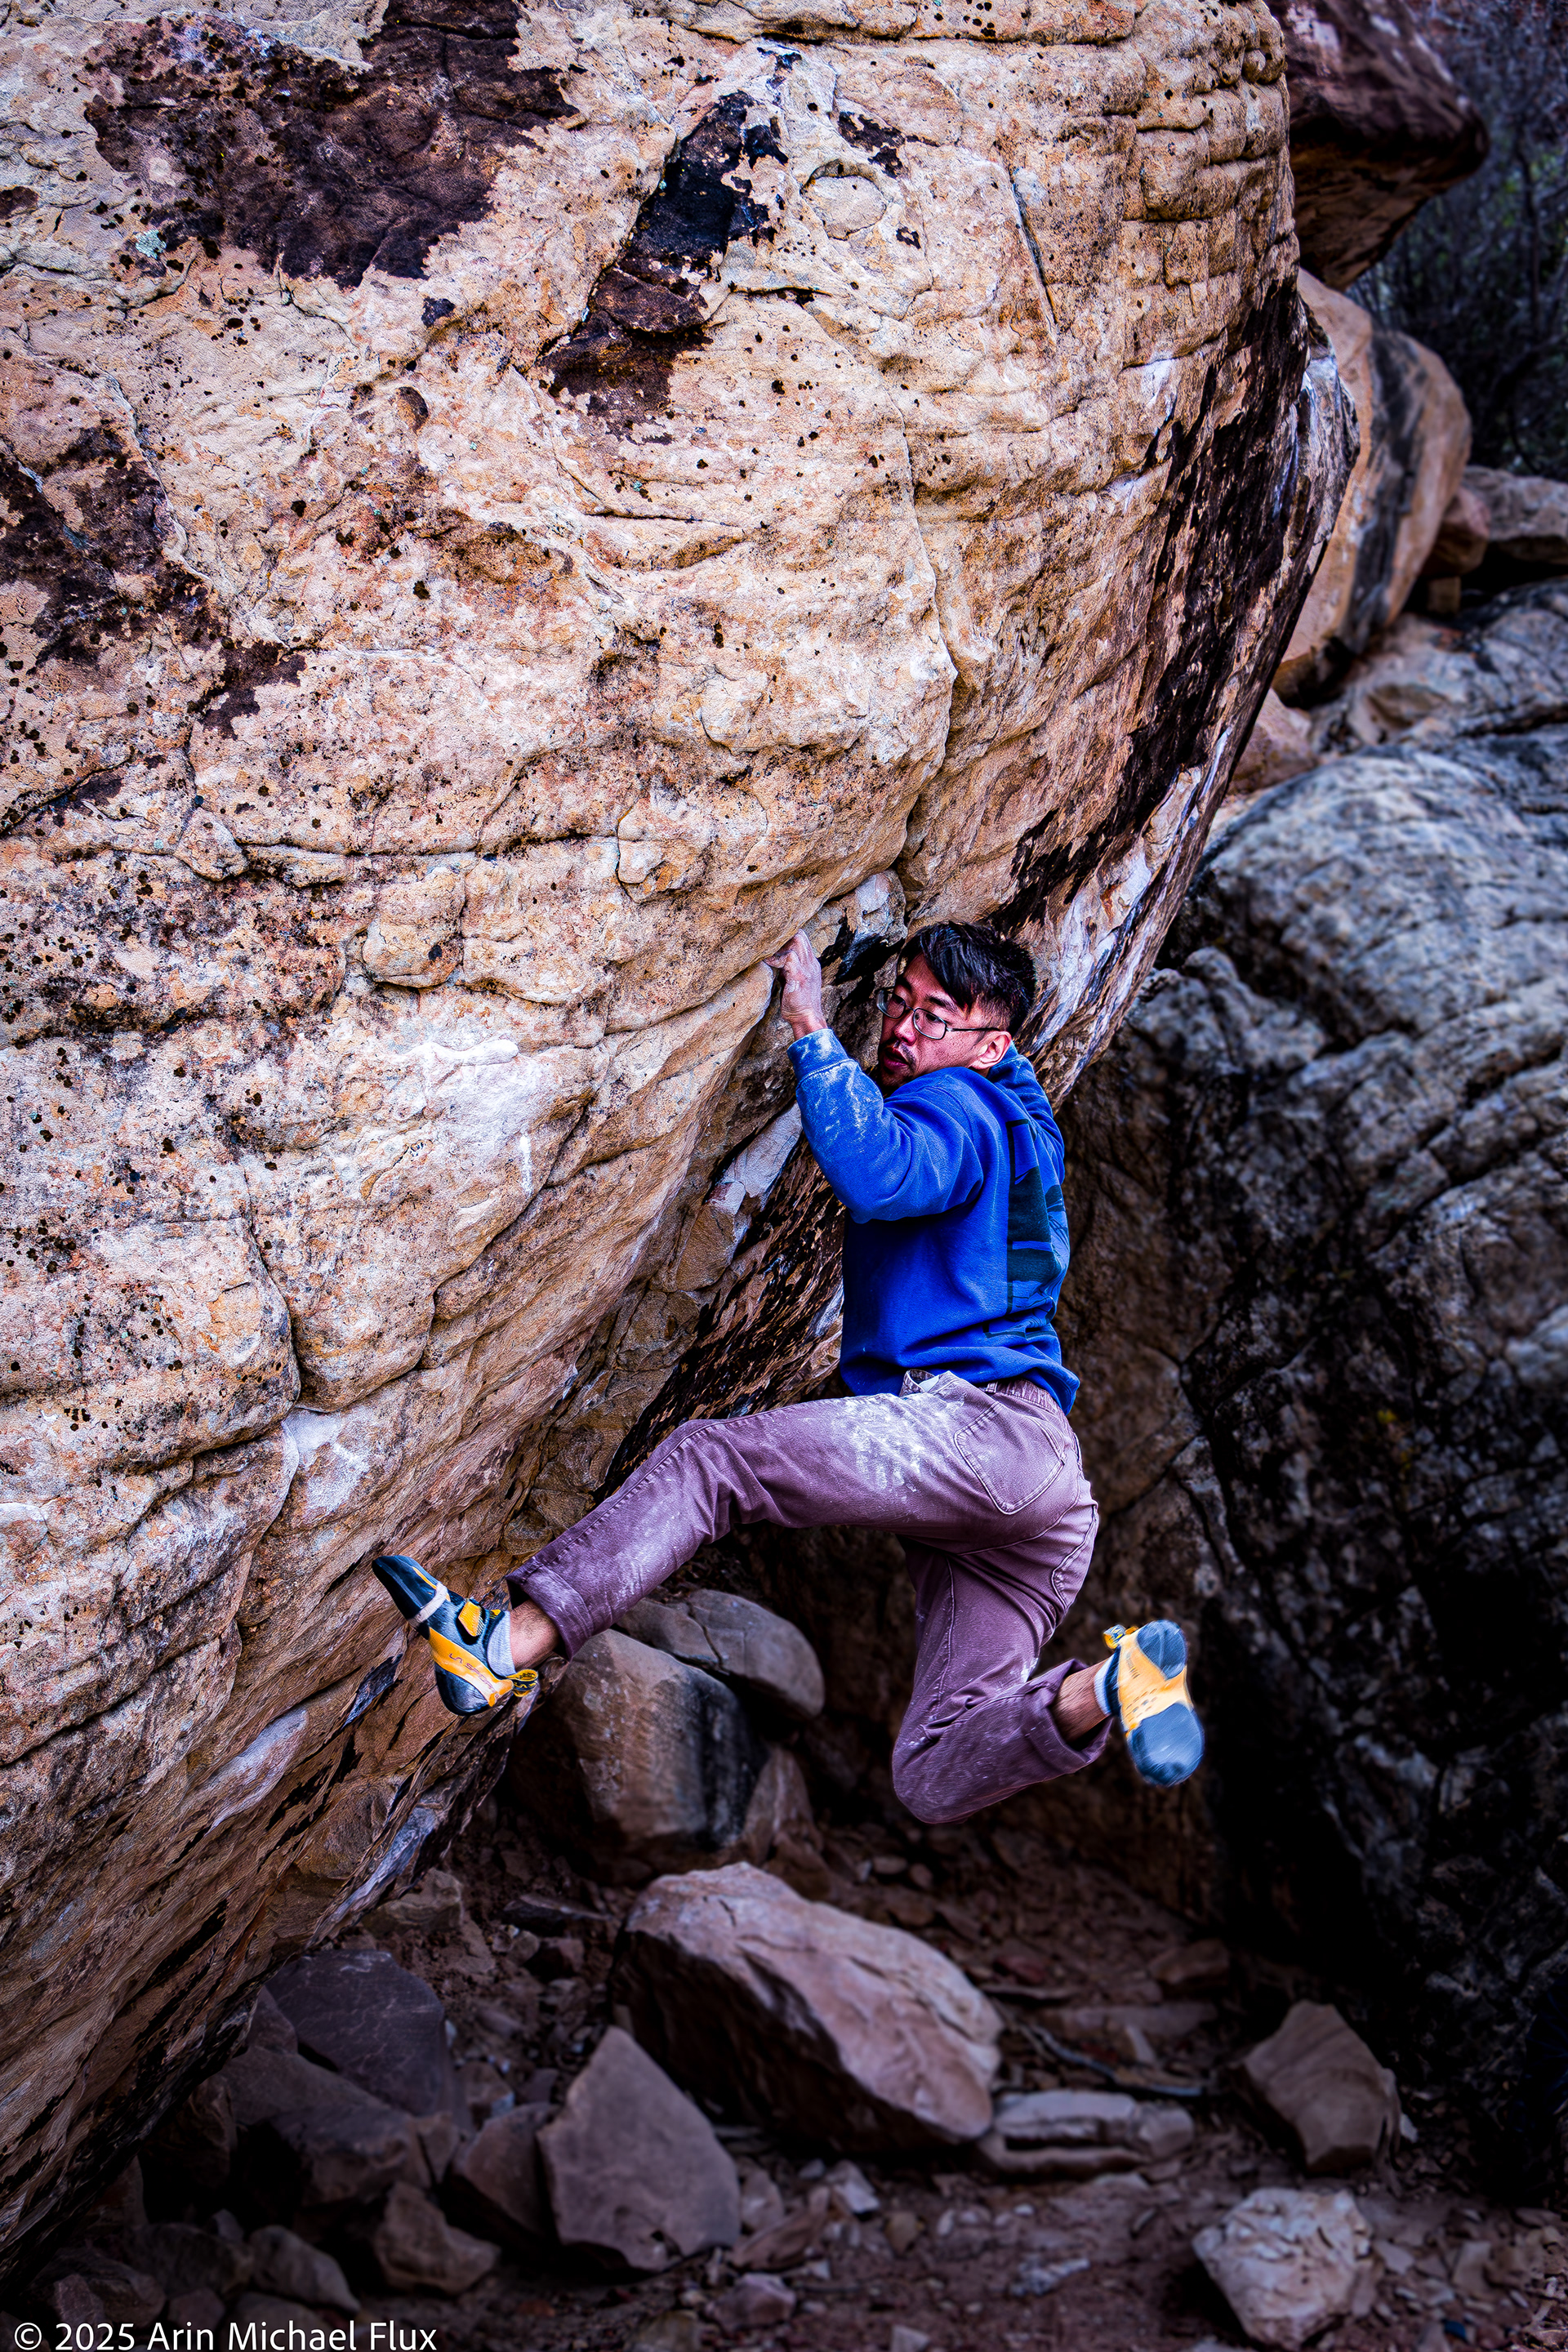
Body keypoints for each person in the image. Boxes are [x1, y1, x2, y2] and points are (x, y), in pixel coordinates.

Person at [372, 921, 1202, 1818]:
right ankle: (1109, 1686)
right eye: (899, 1003)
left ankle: (496, 1649)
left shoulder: (960, 1104)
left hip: (983, 1433)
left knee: (711, 1463)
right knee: (930, 1773)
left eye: (935, 1018)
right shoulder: (1020, 1116)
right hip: (1041, 1503)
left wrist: (810, 1022)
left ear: (990, 1047)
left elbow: (881, 1172)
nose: (904, 1031)